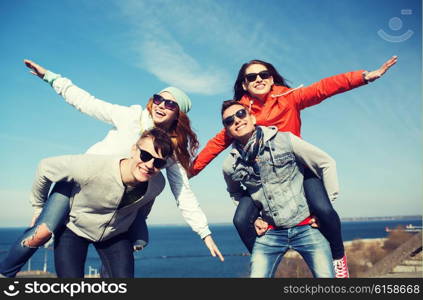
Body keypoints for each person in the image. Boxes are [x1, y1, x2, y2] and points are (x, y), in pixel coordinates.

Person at [0, 60, 223, 278]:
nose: (162, 105)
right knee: (42, 232)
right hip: (78, 182)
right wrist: (50, 78)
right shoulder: (131, 116)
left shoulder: (169, 148)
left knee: (142, 202)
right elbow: (88, 103)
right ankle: (5, 273)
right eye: (159, 99)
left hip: (115, 198)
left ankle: (136, 232)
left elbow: (182, 191)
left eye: (170, 104)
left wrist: (204, 232)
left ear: (179, 114)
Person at [190, 56, 398, 277]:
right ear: (244, 84)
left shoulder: (288, 98)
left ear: (271, 79)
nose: (258, 79)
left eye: (264, 75)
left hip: (296, 170)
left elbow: (323, 88)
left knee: (324, 209)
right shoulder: (240, 114)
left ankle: (338, 258)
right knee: (241, 220)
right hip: (263, 178)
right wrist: (188, 173)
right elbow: (214, 145)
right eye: (251, 77)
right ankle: (264, 257)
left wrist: (363, 77)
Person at [221, 100, 338, 278]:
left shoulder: (285, 140)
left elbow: (326, 163)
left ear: (252, 118)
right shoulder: (230, 165)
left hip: (307, 227)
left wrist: (325, 207)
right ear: (228, 130)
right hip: (271, 234)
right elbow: (235, 192)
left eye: (240, 114)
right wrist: (256, 219)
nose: (236, 120)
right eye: (229, 120)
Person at [41, 128, 171, 277]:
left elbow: (144, 207)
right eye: (145, 155)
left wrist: (133, 229)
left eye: (159, 162)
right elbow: (44, 167)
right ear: (134, 150)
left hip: (115, 233)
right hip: (73, 228)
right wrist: (39, 207)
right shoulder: (95, 167)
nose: (149, 164)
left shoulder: (158, 183)